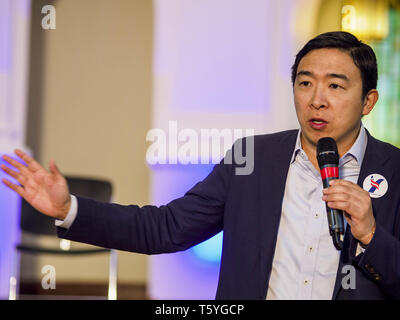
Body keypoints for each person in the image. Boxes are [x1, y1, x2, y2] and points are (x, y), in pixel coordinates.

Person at [1, 31, 400, 300]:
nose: (316, 99)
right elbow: (166, 227)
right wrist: (67, 208)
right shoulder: (253, 159)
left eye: (335, 85)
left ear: (368, 101)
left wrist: (370, 235)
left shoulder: (393, 169)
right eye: (305, 82)